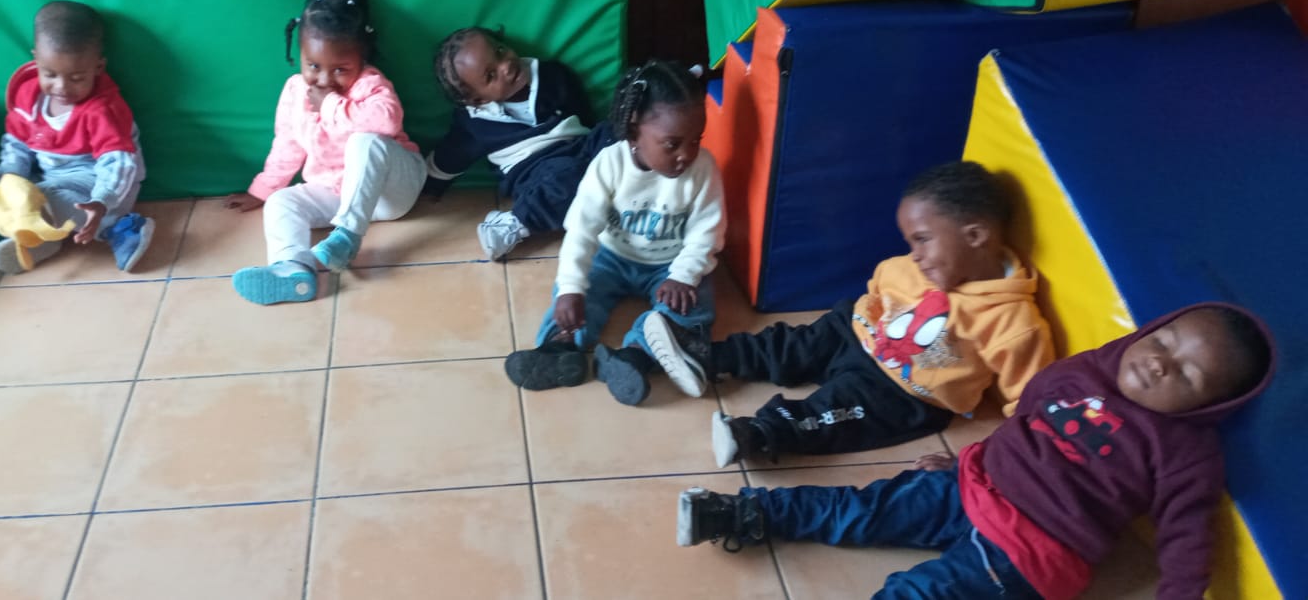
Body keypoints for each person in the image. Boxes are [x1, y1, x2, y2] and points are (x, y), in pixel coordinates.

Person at [676, 303, 1275, 600]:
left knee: (919, 593)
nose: (1160, 363)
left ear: (1208, 405)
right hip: (971, 486)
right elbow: (1026, 424)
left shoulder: (1186, 453)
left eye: (1187, 374)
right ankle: (746, 513)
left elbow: (1187, 539)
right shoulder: (1086, 372)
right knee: (859, 509)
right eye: (1165, 341)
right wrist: (968, 461)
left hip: (1030, 552)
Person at [653, 161, 1053, 465]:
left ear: (976, 236)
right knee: (788, 344)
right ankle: (705, 356)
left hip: (903, 392)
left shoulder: (1014, 324)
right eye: (910, 242)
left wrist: (980, 461)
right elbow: (879, 287)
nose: (915, 255)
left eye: (923, 240)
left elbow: (1029, 407)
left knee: (835, 414)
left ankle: (758, 434)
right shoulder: (912, 266)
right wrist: (863, 322)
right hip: (858, 333)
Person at [504, 59, 725, 405]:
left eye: (696, 140)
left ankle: (634, 356)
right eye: (672, 144)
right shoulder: (609, 164)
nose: (686, 154)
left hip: (670, 264)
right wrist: (572, 289)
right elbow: (581, 230)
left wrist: (683, 276)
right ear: (634, 131)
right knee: (577, 297)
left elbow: (708, 232)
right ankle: (560, 348)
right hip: (612, 257)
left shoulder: (703, 169)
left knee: (693, 308)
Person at [227, 0, 424, 304]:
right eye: (314, 66)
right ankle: (292, 269)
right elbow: (287, 144)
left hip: (391, 193)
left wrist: (331, 105)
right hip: (336, 194)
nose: (324, 79)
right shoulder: (295, 91)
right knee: (281, 203)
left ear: (361, 59)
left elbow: (387, 120)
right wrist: (262, 189)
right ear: (300, 55)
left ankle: (346, 238)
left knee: (365, 142)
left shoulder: (370, 84)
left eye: (340, 69)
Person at [0, 0, 153, 273]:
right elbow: (16, 143)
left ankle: (121, 228)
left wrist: (102, 201)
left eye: (77, 78)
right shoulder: (28, 95)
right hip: (52, 177)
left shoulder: (103, 110)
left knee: (43, 195)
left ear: (98, 67)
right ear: (36, 59)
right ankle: (41, 237)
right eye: (49, 74)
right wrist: (10, 179)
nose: (61, 87)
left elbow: (118, 162)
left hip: (100, 182)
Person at [427, 26, 616, 259]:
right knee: (566, 181)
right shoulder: (473, 123)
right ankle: (515, 223)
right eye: (491, 75)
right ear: (478, 99)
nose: (505, 66)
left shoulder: (553, 75)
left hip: (582, 147)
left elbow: (585, 117)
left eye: (499, 51)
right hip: (538, 173)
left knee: (615, 133)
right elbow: (450, 156)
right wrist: (431, 187)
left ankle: (622, 200)